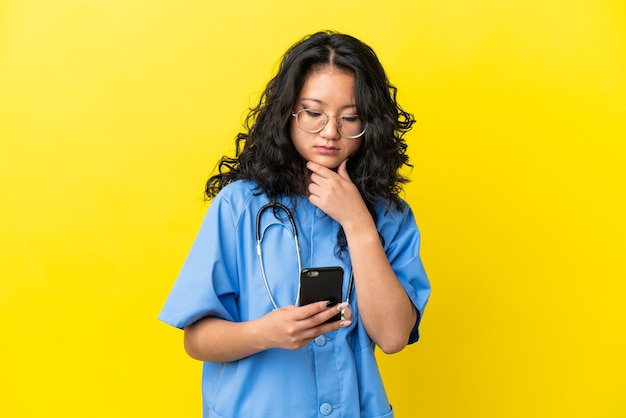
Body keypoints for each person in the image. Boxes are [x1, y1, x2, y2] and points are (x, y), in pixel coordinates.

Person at [159, 30, 431, 418]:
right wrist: (265, 333)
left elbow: (392, 337)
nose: (331, 132)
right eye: (314, 113)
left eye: (351, 117)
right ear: (288, 113)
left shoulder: (388, 216)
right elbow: (196, 340)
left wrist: (358, 224)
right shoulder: (238, 206)